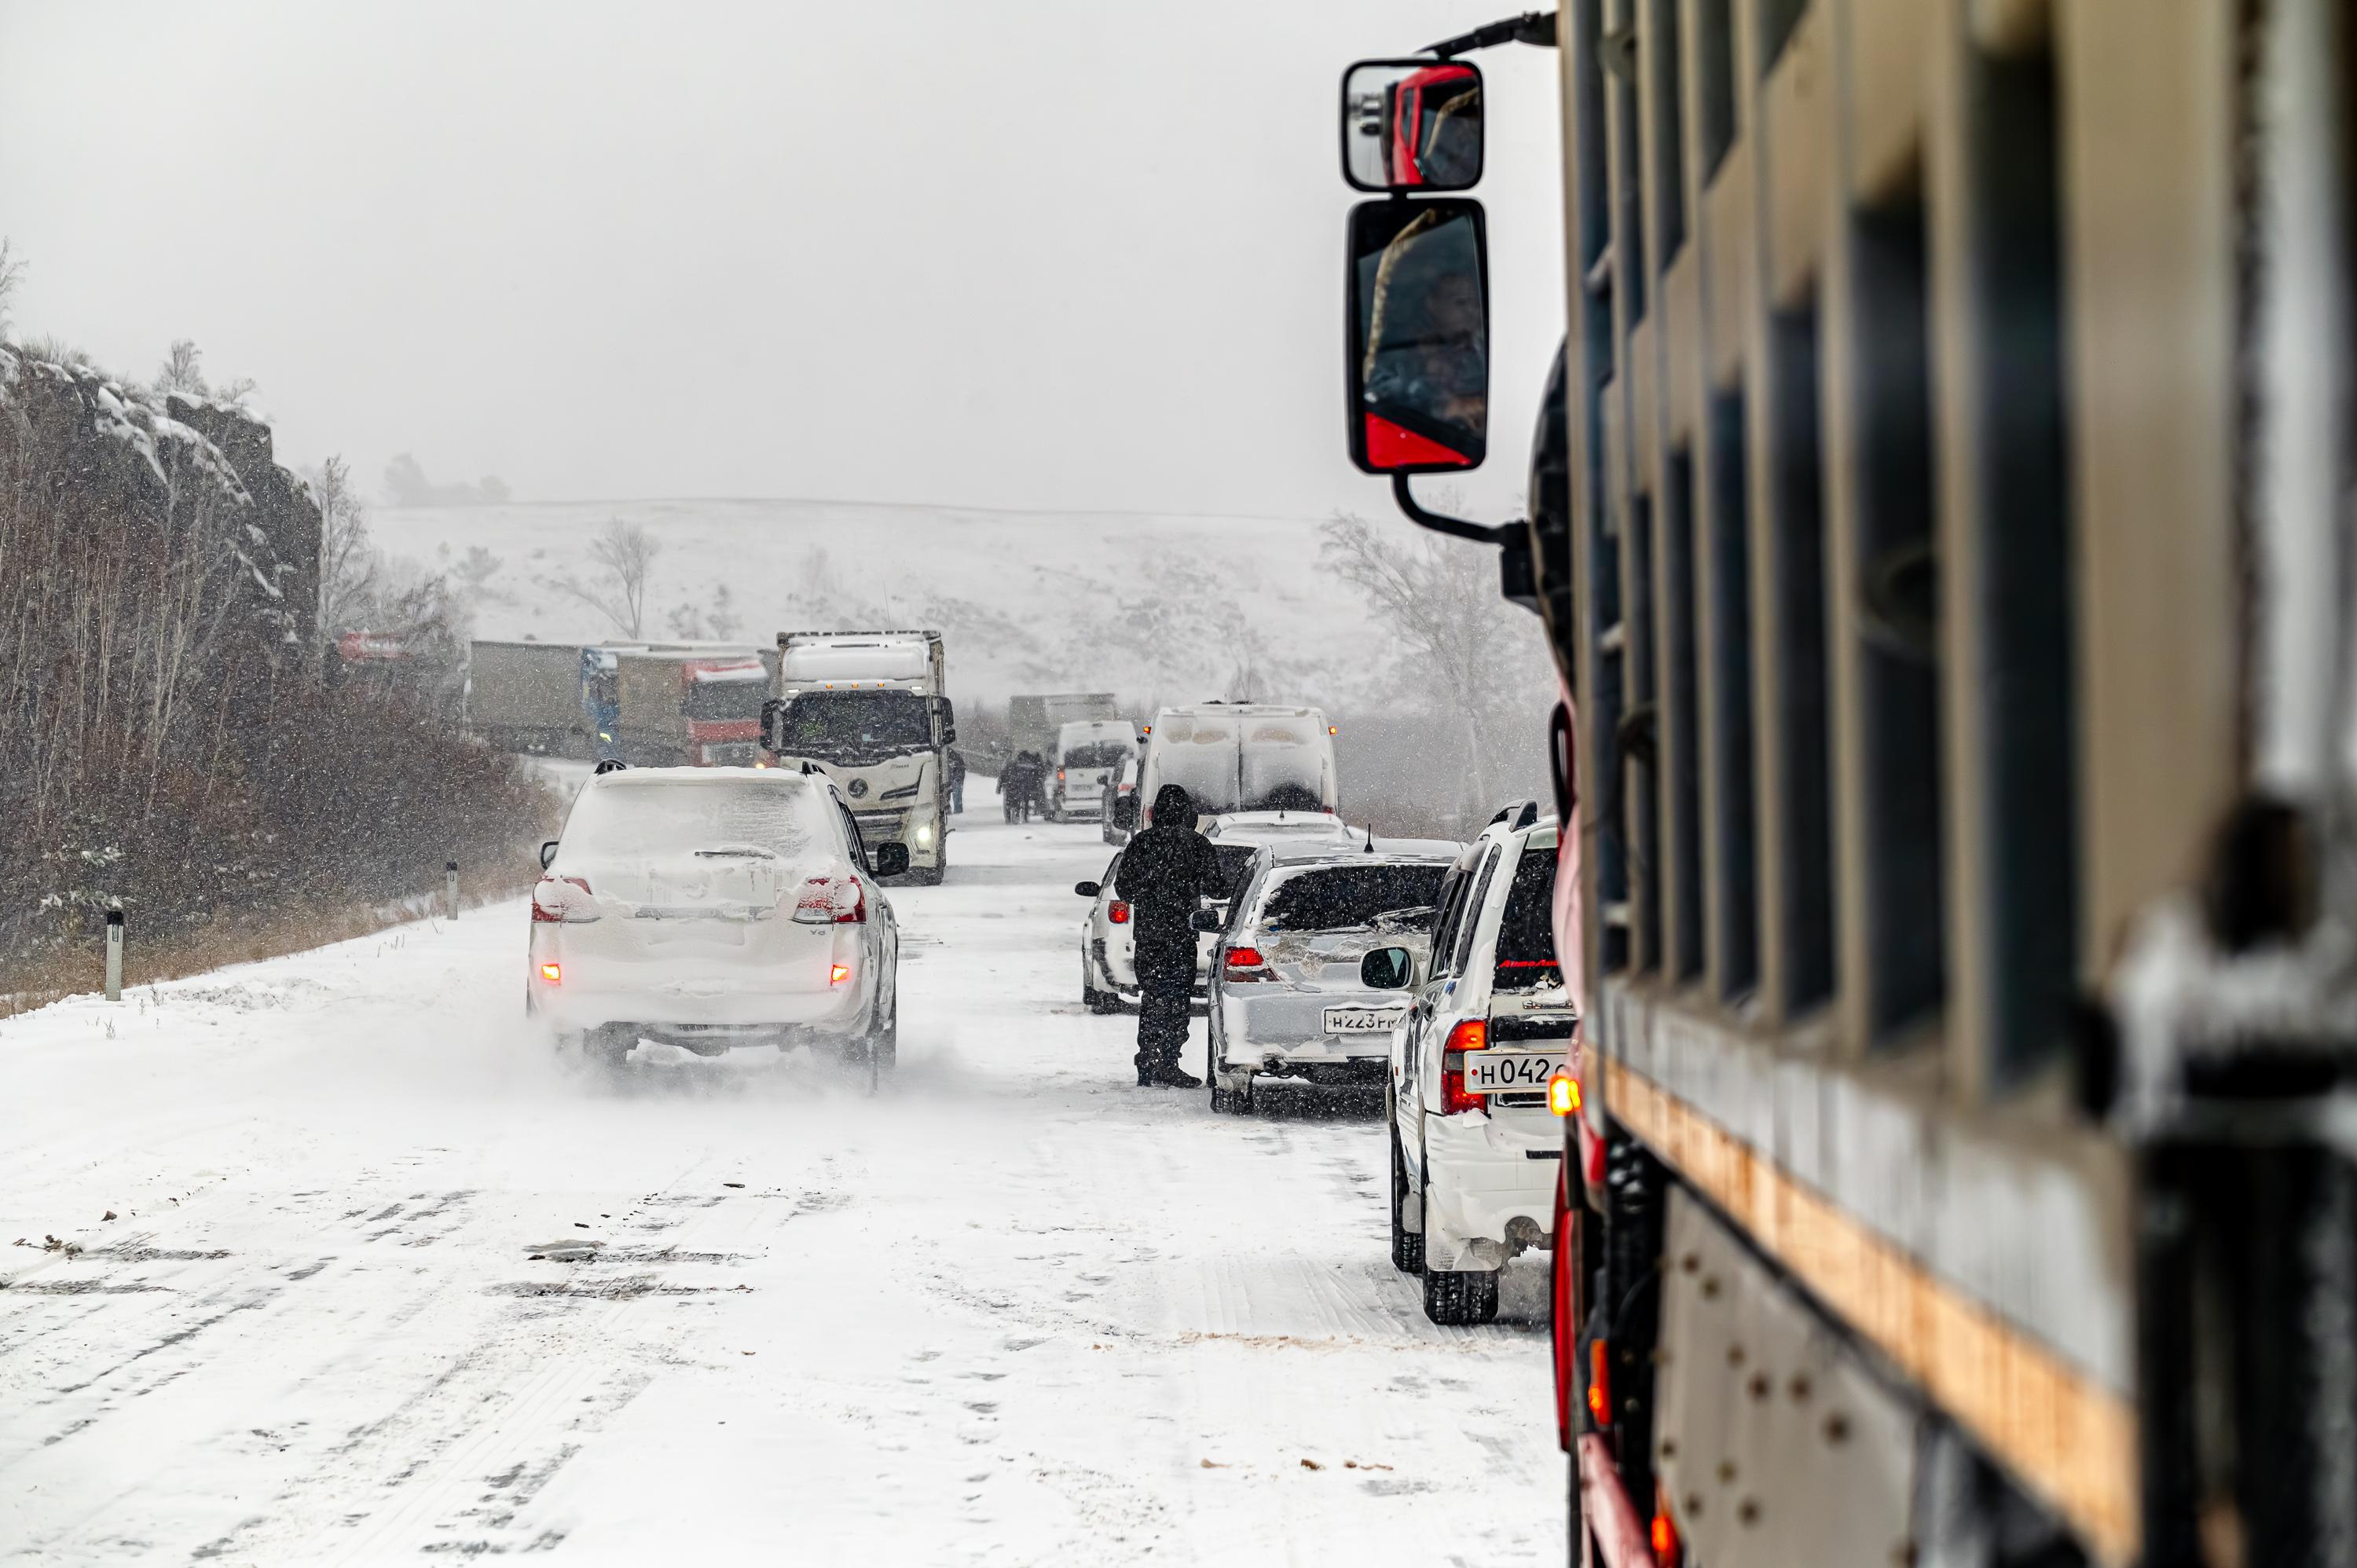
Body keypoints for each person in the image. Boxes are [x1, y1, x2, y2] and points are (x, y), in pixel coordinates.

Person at [1115, 784, 1227, 1088]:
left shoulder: (1141, 843)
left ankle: (1147, 1061)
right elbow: (1218, 888)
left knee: (1153, 998)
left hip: (1149, 937)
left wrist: (1149, 893)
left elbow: (1122, 888)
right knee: (1177, 1000)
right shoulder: (1197, 845)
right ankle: (1167, 1061)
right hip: (1181, 937)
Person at [947, 748, 966, 815]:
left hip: (956, 778)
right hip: (956, 777)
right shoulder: (955, 756)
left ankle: (953, 810)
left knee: (955, 794)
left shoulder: (952, 758)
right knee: (956, 794)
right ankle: (957, 810)